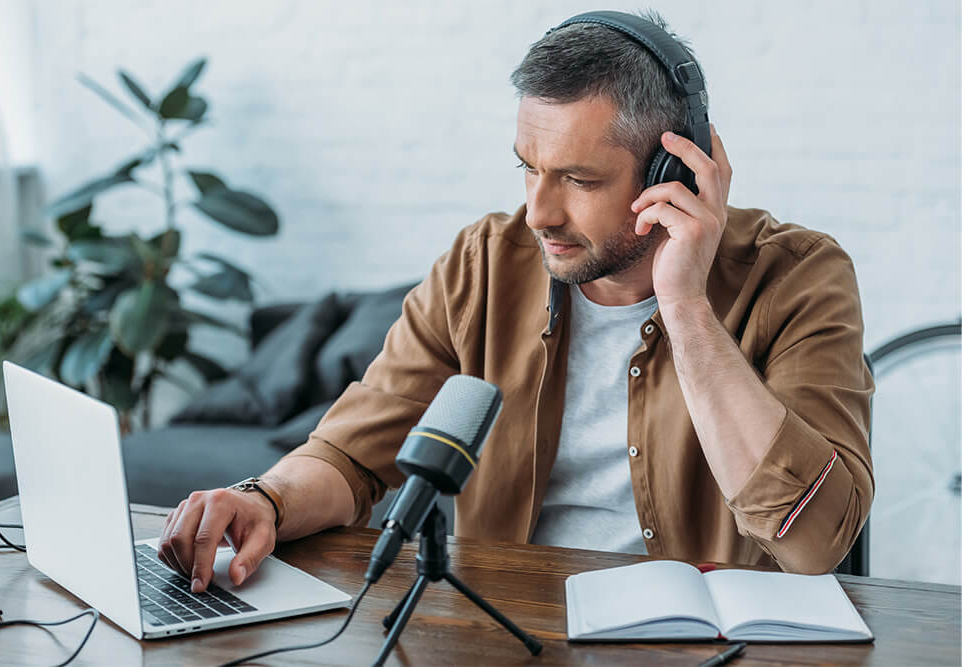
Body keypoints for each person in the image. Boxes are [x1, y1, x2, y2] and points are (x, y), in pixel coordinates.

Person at [158, 10, 874, 595]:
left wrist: (685, 306)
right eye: (529, 168)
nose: (539, 212)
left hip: (698, 644)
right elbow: (351, 454)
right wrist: (264, 499)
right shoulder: (484, 265)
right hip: (505, 631)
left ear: (675, 169)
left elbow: (815, 543)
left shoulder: (798, 277)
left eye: (579, 180)